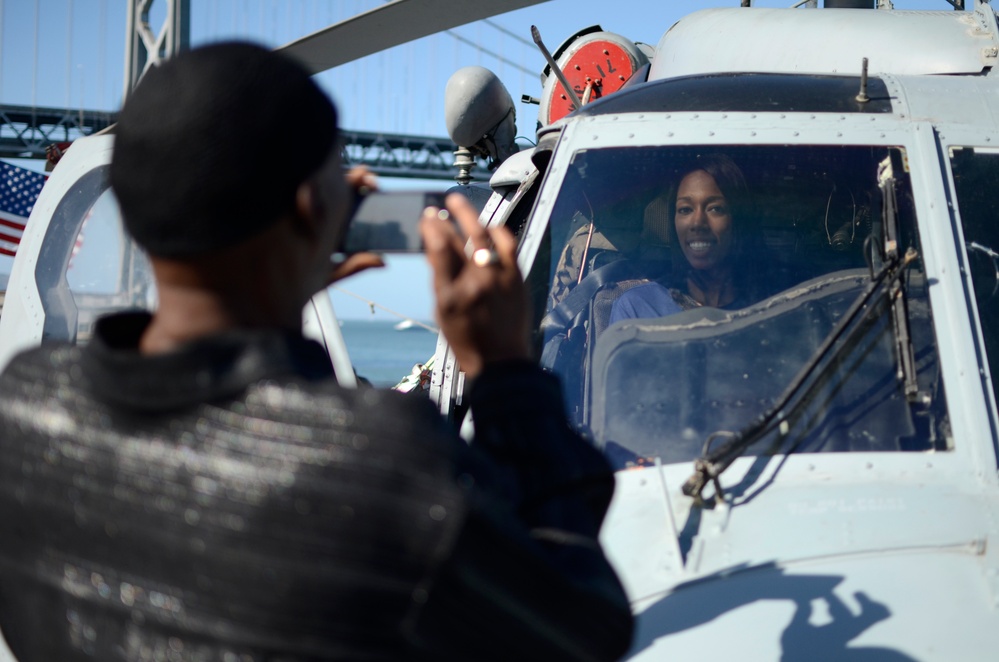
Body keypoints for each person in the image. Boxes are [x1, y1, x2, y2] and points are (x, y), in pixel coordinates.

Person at [0, 43, 633, 661]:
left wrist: (272, 299)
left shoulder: (25, 407)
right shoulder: (382, 466)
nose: (360, 183)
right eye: (340, 171)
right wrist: (505, 370)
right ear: (308, 211)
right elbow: (584, 623)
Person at [610, 153, 766, 323]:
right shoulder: (636, 308)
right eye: (685, 210)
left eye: (715, 209)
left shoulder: (770, 309)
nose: (698, 223)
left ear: (738, 218)